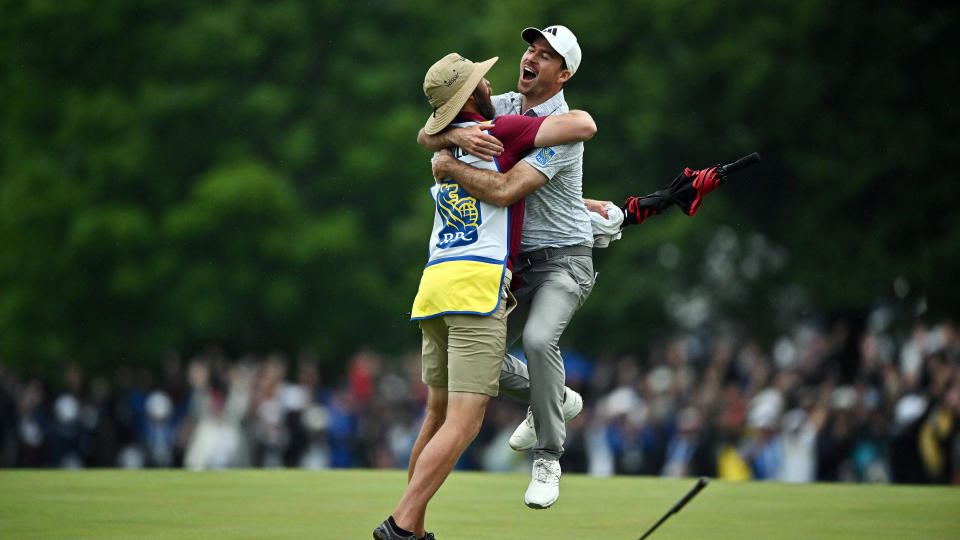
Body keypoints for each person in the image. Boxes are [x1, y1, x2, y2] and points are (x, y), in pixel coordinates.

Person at [374, 52, 597, 540]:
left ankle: (413, 526)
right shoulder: (507, 128)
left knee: (435, 416)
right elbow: (580, 126)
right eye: (479, 78)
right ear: (473, 94)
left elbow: (425, 136)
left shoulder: (443, 147)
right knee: (463, 422)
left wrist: (447, 138)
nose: (488, 80)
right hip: (476, 289)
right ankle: (401, 526)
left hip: (433, 287)